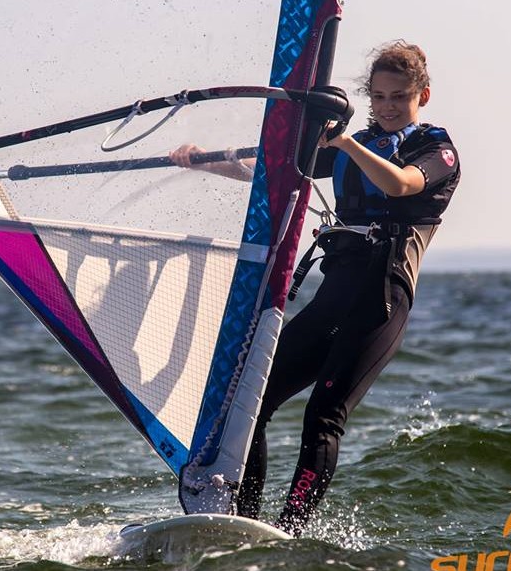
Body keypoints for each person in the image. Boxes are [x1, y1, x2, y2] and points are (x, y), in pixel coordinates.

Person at [170, 41, 460, 536]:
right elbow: (273, 174)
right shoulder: (364, 143)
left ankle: (293, 530)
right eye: (380, 97)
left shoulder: (437, 151)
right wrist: (204, 161)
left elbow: (401, 186)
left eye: (399, 97)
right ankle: (243, 519)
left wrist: (346, 143)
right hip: (335, 295)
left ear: (422, 96)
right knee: (252, 403)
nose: (388, 107)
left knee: (323, 414)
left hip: (381, 301)